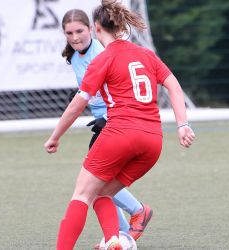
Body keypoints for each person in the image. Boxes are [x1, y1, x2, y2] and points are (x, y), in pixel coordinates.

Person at [44, 1, 195, 249]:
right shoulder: (146, 54)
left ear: (96, 28)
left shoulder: (104, 58)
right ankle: (115, 240)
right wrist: (182, 125)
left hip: (120, 133)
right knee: (103, 193)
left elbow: (77, 105)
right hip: (152, 142)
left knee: (81, 194)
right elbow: (174, 85)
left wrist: (55, 136)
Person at [61, 8, 153, 246]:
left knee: (94, 185)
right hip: (104, 119)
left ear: (92, 29)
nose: (75, 37)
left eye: (79, 31)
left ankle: (137, 213)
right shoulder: (74, 54)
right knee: (100, 185)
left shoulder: (102, 51)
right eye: (69, 32)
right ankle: (119, 236)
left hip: (116, 121)